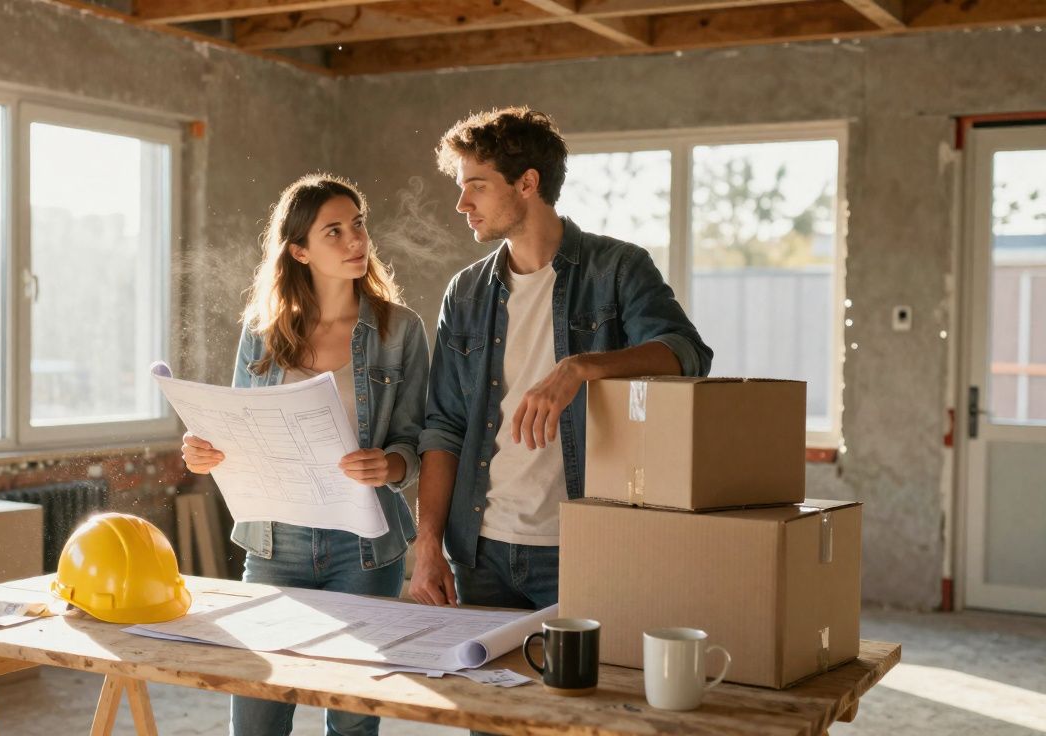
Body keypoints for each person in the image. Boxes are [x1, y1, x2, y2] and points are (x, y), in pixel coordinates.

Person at [409, 107, 713, 613]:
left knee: (585, 689)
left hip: (582, 545)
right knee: (488, 693)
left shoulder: (617, 268)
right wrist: (427, 546)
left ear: (527, 183)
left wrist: (580, 367)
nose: (462, 203)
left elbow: (687, 354)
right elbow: (444, 427)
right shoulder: (464, 293)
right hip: (479, 552)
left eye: (477, 186)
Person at [181, 173, 428, 736]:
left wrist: (389, 464)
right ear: (299, 250)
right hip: (275, 546)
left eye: (359, 225)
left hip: (366, 550)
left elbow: (418, 441)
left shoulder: (400, 331)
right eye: (334, 231)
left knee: (351, 724)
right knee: (257, 719)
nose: (355, 241)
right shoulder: (262, 333)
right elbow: (238, 435)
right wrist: (204, 452)